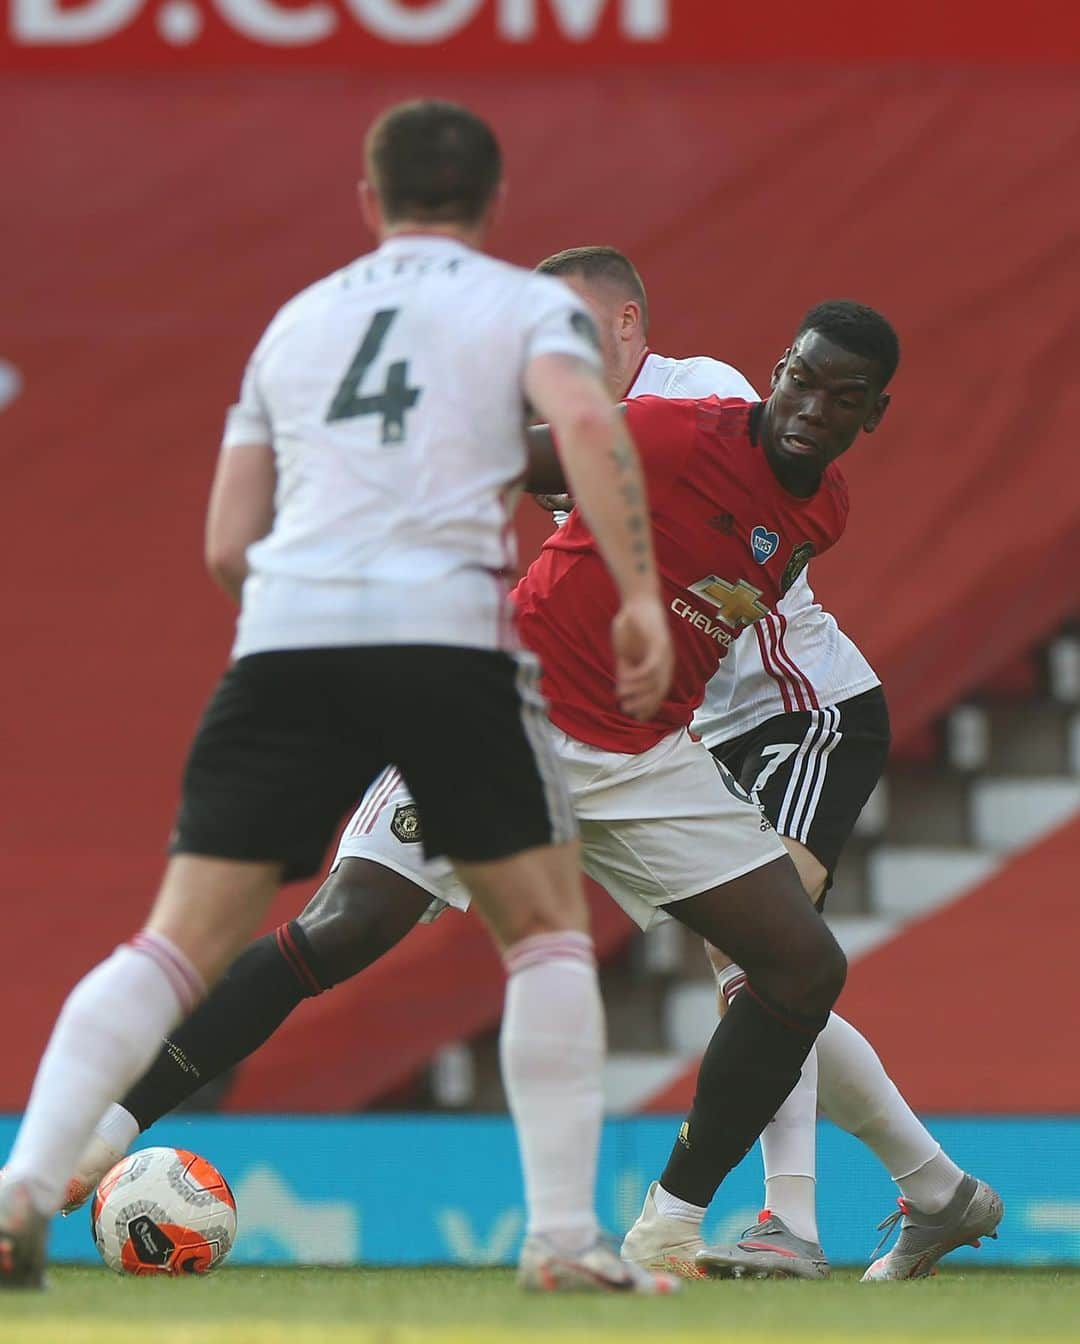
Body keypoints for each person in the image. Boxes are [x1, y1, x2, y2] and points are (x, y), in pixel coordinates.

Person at [63, 254, 998, 1283]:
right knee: (343, 930)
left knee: (799, 966)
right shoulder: (671, 432)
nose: (814, 409)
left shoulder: (825, 513)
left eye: (843, 399)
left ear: (875, 414)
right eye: (804, 382)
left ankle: (672, 1227)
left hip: (645, 758)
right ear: (777, 372)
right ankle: (95, 1136)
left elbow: (711, 597)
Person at [0, 102, 679, 1294]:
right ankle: (566, 1244)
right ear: (491, 205)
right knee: (545, 933)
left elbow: (227, 541)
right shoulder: (524, 306)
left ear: (371, 202)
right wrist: (632, 592)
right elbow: (585, 426)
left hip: (289, 641)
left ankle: (18, 1191)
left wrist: (304, 611)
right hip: (449, 646)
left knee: (174, 944)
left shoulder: (296, 326)